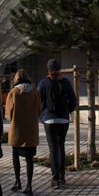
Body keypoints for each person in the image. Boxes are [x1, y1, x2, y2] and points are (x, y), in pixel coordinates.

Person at [37, 59, 77, 189]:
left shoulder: (43, 83)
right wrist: (66, 111)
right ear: (60, 70)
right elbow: (73, 101)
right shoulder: (65, 83)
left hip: (49, 119)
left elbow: (38, 100)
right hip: (63, 119)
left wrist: (42, 114)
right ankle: (62, 176)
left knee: (53, 148)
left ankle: (55, 178)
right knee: (61, 146)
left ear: (48, 71)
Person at [5, 69, 41, 196]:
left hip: (17, 128)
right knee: (29, 158)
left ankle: (17, 181)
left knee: (16, 154)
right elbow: (39, 109)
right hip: (31, 129)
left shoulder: (14, 92)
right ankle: (29, 185)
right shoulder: (35, 92)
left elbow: (8, 113)